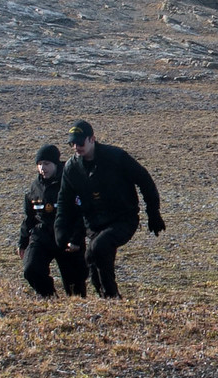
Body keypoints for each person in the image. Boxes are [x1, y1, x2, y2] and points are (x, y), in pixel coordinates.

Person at [56, 120, 163, 299]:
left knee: (99, 247)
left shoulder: (116, 157)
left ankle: (112, 297)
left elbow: (145, 180)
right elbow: (64, 202)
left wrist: (153, 213)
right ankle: (107, 298)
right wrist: (61, 233)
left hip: (123, 218)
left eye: (80, 142)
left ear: (92, 139)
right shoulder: (72, 167)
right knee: (91, 257)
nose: (76, 147)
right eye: (72, 143)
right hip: (94, 223)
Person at [19, 144, 86, 298]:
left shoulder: (70, 182)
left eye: (47, 164)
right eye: (40, 164)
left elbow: (80, 215)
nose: (43, 168)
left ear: (56, 164)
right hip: (42, 236)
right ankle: (50, 299)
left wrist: (76, 239)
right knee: (31, 270)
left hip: (67, 239)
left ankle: (76, 312)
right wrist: (23, 242)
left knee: (75, 287)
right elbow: (29, 217)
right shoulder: (34, 187)